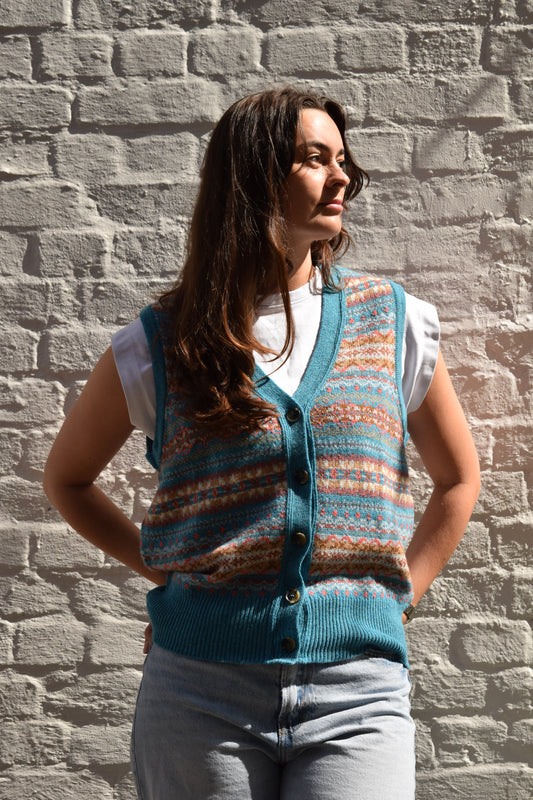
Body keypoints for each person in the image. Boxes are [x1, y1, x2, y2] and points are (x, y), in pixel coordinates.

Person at [43, 87, 481, 800]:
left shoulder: (391, 321)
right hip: (199, 693)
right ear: (252, 176)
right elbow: (67, 479)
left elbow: (458, 479)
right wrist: (168, 572)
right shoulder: (164, 342)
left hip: (357, 693)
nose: (341, 177)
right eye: (314, 159)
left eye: (342, 159)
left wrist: (398, 599)